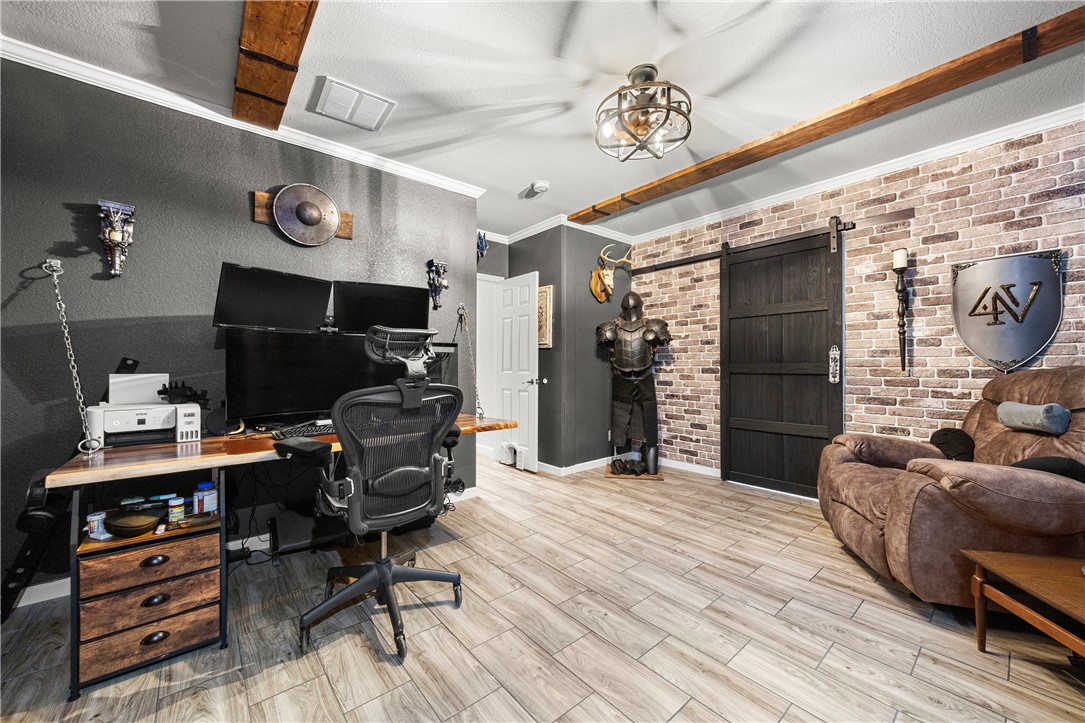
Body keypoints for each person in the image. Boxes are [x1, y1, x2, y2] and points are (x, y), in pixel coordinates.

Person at [596, 291, 671, 475]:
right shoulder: (611, 328)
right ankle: (618, 462)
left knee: (650, 424)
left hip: (645, 377)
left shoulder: (653, 326)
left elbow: (664, 339)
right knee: (618, 422)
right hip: (621, 378)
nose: (630, 309)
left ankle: (650, 466)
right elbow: (604, 341)